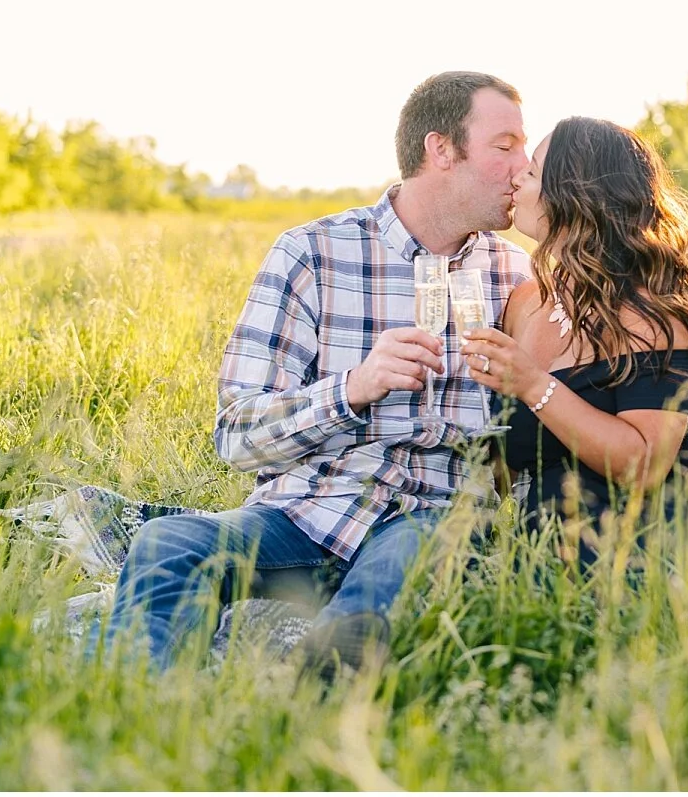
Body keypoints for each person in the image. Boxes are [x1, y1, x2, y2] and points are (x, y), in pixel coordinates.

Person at [99, 70, 533, 676]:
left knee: (395, 568)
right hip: (309, 515)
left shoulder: (514, 275)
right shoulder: (313, 252)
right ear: (441, 150)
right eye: (505, 146)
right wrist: (352, 390)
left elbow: (531, 439)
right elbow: (237, 433)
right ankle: (141, 714)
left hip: (433, 512)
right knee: (166, 544)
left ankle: (315, 702)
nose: (522, 167)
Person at [460, 116, 688, 567]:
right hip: (553, 539)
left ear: (574, 196)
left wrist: (534, 385)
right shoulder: (526, 301)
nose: (517, 177)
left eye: (533, 171)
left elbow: (645, 465)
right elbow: (508, 457)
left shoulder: (648, 309)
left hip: (658, 534)